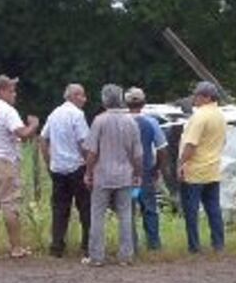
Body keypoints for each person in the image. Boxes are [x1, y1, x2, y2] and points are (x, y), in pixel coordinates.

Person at [0, 75, 40, 258]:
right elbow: (23, 134)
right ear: (2, 91)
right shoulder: (7, 110)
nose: (15, 95)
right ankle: (15, 248)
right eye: (12, 91)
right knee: (10, 204)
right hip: (4, 160)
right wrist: (33, 125)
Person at [82, 84, 142, 266]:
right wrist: (137, 173)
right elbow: (137, 153)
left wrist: (88, 172)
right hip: (125, 175)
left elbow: (91, 152)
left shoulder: (99, 121)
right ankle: (126, 256)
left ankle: (96, 257)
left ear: (104, 100)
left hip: (102, 175)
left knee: (97, 215)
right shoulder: (131, 121)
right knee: (125, 214)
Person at [39, 84, 90, 257]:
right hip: (76, 166)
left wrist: (48, 161)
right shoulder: (77, 115)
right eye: (82, 96)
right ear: (74, 96)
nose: (85, 99)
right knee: (84, 207)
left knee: (60, 208)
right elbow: (84, 142)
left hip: (58, 167)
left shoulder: (54, 113)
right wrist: (90, 166)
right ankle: (87, 245)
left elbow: (43, 138)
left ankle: (57, 246)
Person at [178, 81, 226, 253]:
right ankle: (218, 243)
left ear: (206, 97)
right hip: (213, 169)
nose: (195, 99)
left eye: (197, 95)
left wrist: (181, 163)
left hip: (195, 170)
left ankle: (194, 245)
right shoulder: (220, 115)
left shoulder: (199, 116)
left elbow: (191, 144)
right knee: (213, 209)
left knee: (191, 211)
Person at [126, 87, 168, 251]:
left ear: (126, 103)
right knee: (149, 209)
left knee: (128, 208)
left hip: (126, 174)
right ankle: (154, 244)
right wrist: (157, 168)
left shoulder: (122, 121)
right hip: (145, 173)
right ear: (143, 103)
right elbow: (162, 149)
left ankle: (131, 245)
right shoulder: (151, 122)